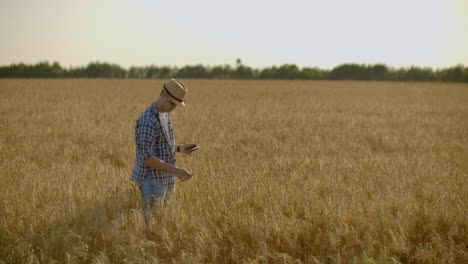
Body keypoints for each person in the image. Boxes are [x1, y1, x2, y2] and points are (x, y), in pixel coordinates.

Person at [130, 79, 197, 228]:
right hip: (152, 181)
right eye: (172, 103)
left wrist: (180, 148)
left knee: (161, 223)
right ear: (163, 94)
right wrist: (177, 171)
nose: (173, 107)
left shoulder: (165, 114)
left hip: (166, 178)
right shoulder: (147, 120)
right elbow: (147, 158)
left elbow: (160, 145)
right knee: (152, 226)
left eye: (176, 105)